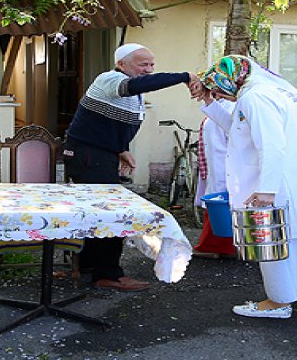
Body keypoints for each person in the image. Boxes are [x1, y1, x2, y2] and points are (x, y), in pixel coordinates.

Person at [200, 55, 297, 319]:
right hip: (295, 179)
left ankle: (277, 302)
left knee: (272, 240)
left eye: (220, 89)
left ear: (232, 80)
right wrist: (210, 104)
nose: (222, 95)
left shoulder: (255, 97)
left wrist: (267, 189)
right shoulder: (269, 92)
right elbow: (238, 129)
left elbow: (271, 144)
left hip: (277, 183)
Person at [63, 43, 202, 292]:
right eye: (143, 64)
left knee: (97, 213)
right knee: (113, 213)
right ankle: (109, 274)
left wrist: (121, 149)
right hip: (88, 155)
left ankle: (89, 265)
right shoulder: (110, 79)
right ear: (121, 64)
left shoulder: (126, 88)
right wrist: (185, 77)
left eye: (151, 65)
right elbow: (138, 85)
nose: (148, 70)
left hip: (94, 152)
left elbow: (106, 123)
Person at [192, 95, 237, 259]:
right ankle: (215, 246)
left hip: (224, 166)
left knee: (219, 206)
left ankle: (217, 247)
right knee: (216, 203)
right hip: (216, 165)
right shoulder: (222, 105)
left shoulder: (231, 107)